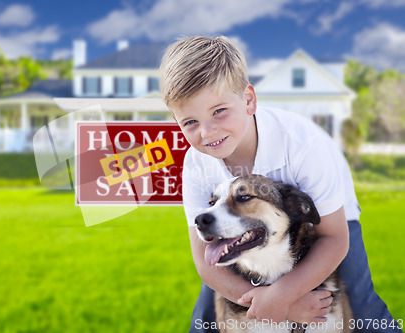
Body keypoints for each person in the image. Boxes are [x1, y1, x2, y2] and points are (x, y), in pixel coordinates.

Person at [158, 36, 402, 332]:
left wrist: (283, 294)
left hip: (329, 217)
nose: (207, 132)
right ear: (176, 120)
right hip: (235, 227)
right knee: (205, 317)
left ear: (248, 100)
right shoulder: (196, 163)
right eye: (190, 122)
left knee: (361, 304)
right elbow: (205, 261)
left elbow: (334, 239)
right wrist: (271, 302)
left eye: (219, 111)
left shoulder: (303, 146)